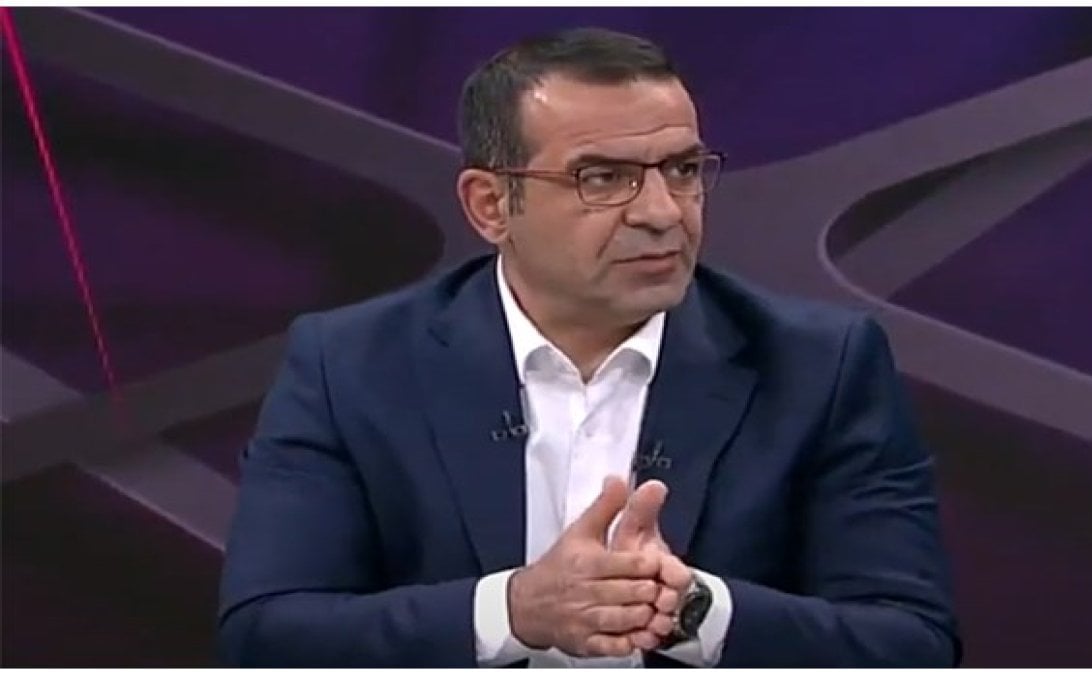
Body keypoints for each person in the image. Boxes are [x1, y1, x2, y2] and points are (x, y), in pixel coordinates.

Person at [218, 27, 960, 667]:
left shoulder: (820, 366)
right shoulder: (351, 365)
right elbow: (267, 635)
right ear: (490, 205)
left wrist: (694, 612)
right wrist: (512, 611)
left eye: (682, 170)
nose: (662, 212)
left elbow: (912, 644)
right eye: (604, 178)